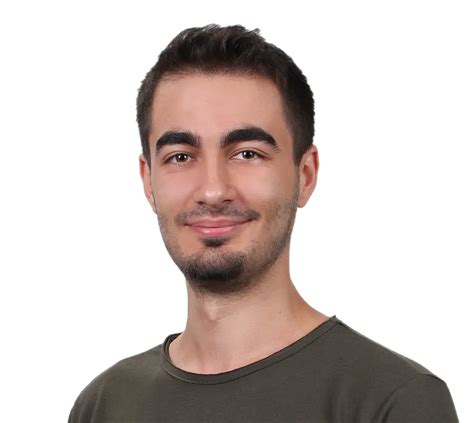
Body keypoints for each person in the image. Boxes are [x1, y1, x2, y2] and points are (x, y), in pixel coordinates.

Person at [68, 24, 458, 422]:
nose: (213, 190)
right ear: (148, 181)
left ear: (305, 175)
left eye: (247, 154)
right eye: (181, 156)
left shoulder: (392, 400)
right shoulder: (104, 405)